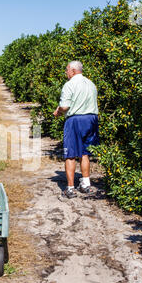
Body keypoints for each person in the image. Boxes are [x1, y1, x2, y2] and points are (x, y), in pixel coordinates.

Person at [53, 61, 100, 199]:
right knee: (85, 153)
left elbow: (65, 106)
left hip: (75, 120)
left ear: (73, 71)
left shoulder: (70, 85)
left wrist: (58, 111)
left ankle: (70, 188)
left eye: (67, 70)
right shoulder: (91, 84)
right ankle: (85, 184)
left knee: (70, 154)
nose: (66, 72)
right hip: (91, 119)